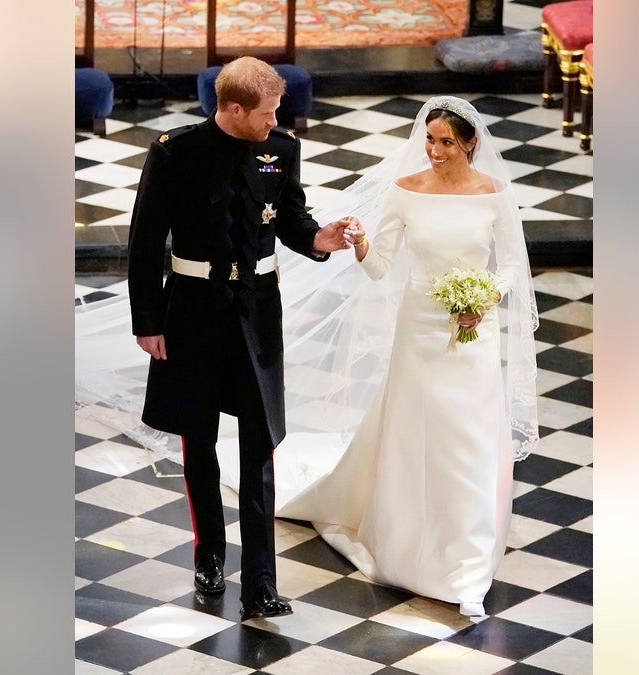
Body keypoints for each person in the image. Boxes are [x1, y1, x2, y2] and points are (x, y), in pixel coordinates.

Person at [267, 96, 541, 617]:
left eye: (445, 142)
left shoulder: (495, 195)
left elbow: (511, 266)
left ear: (469, 144)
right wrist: (364, 244)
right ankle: (409, 536)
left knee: (470, 435)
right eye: (430, 141)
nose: (434, 152)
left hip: (473, 330)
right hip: (419, 327)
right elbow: (380, 267)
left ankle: (467, 559)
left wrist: (482, 297)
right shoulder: (405, 191)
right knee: (419, 431)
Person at [124, 56, 357, 620]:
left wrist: (320, 240)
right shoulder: (175, 152)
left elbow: (291, 217)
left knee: (260, 446)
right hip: (193, 312)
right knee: (198, 440)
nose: (278, 120)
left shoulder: (281, 150)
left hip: (257, 313)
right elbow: (145, 238)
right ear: (233, 108)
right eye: (269, 112)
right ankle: (209, 557)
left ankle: (261, 582)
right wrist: (148, 321)